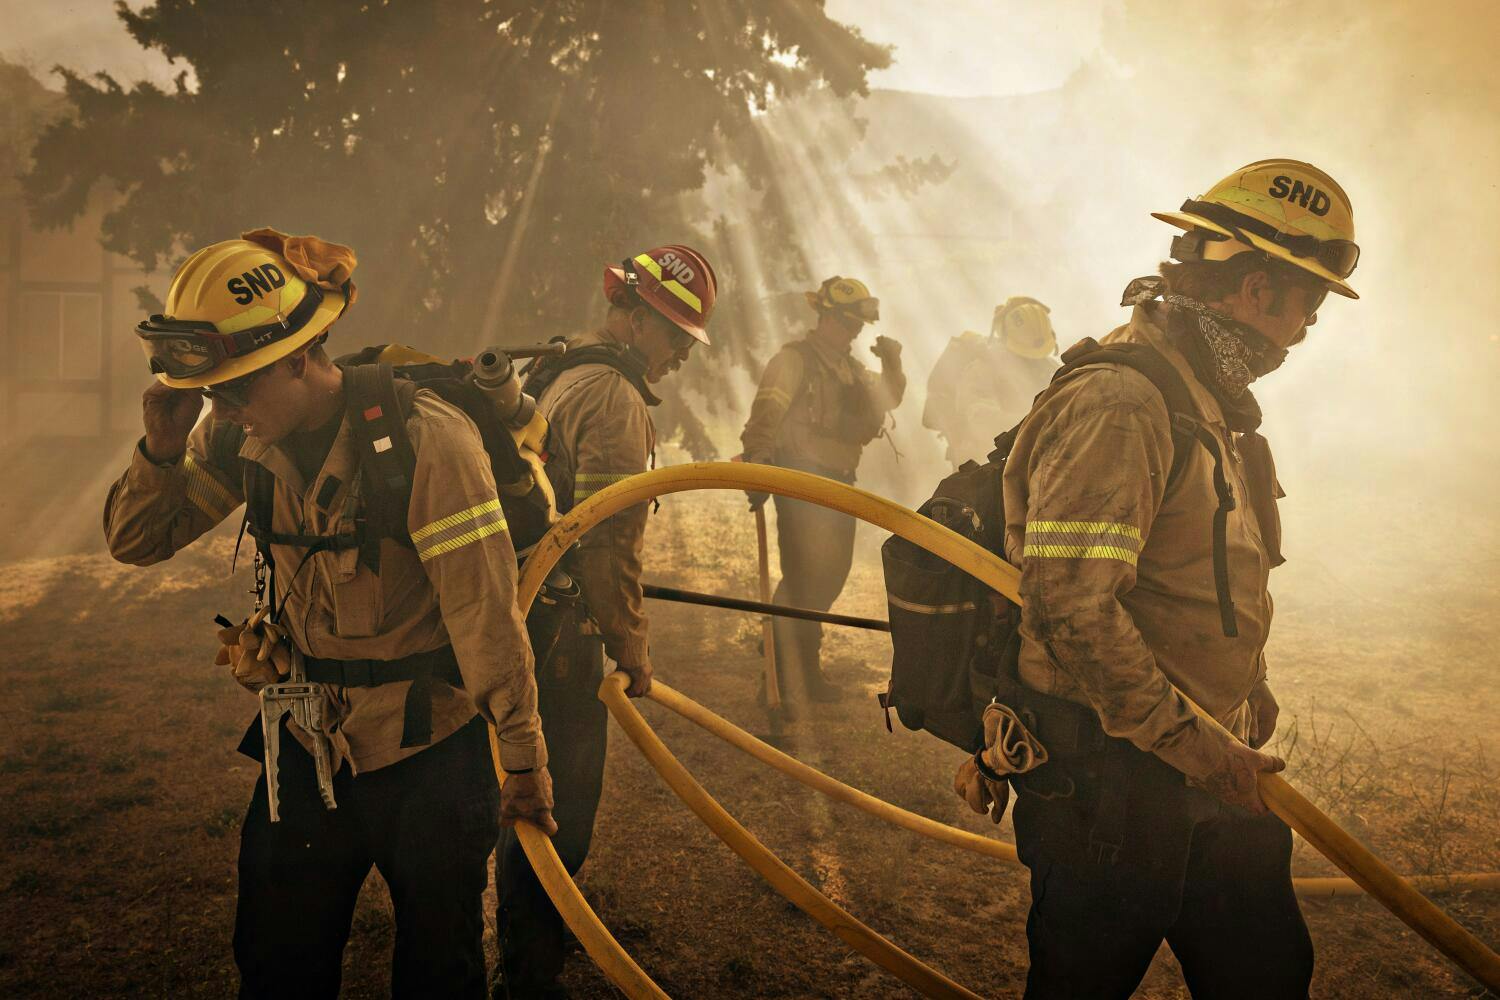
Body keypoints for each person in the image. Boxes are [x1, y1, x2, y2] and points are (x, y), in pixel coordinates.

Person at [103, 230, 554, 999]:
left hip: (430, 753)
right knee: (276, 962)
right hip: (307, 741)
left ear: (298, 358)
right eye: (213, 393)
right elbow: (137, 542)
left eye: (236, 388)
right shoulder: (238, 437)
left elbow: (484, 613)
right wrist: (160, 449)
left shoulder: (428, 441)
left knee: (439, 970)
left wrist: (523, 759)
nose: (224, 408)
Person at [955, 160, 1359, 998]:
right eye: (1307, 304)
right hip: (1112, 777)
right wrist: (1199, 747)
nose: (1307, 329)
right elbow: (1071, 609)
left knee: (1265, 974)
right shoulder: (1123, 403)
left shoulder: (1201, 395)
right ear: (1257, 290)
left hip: (1203, 757)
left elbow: (1195, 571)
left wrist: (1245, 688)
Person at [494, 244, 718, 1000]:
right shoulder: (615, 398)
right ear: (635, 317)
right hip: (562, 631)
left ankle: (520, 950)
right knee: (559, 805)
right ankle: (529, 975)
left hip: (522, 610)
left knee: (526, 787)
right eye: (676, 336)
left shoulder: (560, 369)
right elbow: (607, 540)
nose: (683, 353)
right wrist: (631, 646)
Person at [739, 276, 905, 708]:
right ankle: (783, 671)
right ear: (826, 317)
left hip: (838, 482)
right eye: (847, 323)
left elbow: (887, 399)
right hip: (800, 481)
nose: (853, 332)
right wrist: (759, 463)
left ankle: (800, 664)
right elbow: (765, 414)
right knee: (803, 576)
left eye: (857, 326)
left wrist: (892, 365)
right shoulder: (793, 361)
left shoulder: (848, 368)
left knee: (831, 574)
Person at [922, 297, 1058, 467]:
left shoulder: (1047, 365)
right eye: (1027, 355)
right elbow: (980, 419)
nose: (1034, 359)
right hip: (984, 465)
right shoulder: (982, 369)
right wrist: (1037, 424)